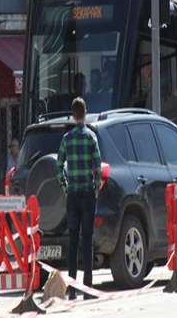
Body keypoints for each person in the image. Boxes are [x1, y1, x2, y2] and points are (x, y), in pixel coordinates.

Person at [56, 97, 101, 300]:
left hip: (72, 195)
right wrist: (96, 189)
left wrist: (66, 187)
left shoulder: (66, 139)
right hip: (88, 194)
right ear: (85, 112)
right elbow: (98, 167)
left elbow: (58, 167)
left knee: (72, 241)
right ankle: (88, 289)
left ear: (73, 115)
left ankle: (72, 289)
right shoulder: (91, 137)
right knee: (87, 240)